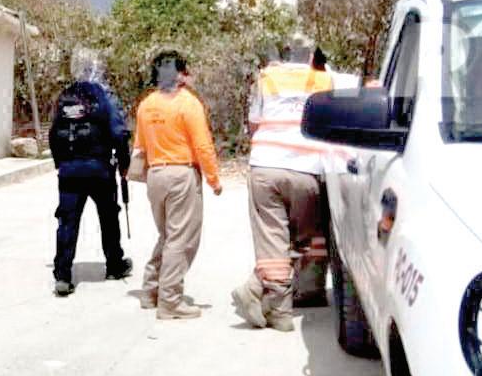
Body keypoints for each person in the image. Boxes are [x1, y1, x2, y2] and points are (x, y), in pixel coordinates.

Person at [231, 45, 333, 332]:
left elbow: (254, 125)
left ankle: (274, 306)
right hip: (308, 169)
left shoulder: (267, 77)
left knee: (272, 237)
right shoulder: (324, 79)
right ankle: (298, 294)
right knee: (307, 236)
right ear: (311, 56)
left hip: (266, 165)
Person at [134, 49, 222, 320]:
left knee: (168, 235)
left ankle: (151, 290)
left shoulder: (146, 105)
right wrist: (213, 179)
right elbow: (203, 146)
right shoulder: (188, 103)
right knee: (181, 240)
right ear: (181, 74)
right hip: (181, 175)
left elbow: (140, 144)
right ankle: (170, 300)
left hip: (155, 175)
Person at [49, 55, 133, 297]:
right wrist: (124, 164)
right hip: (99, 170)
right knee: (109, 216)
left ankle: (63, 275)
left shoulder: (64, 97)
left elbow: (54, 134)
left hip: (69, 172)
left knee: (67, 221)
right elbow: (119, 133)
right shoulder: (103, 96)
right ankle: (114, 265)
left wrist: (60, 164)